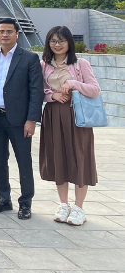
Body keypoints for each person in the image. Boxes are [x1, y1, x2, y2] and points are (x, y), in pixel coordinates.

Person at [39, 26, 100, 226]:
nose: (57, 45)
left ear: (69, 43)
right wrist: (52, 95)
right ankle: (63, 204)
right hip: (53, 115)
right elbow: (38, 90)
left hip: (77, 117)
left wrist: (74, 84)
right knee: (59, 158)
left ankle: (79, 208)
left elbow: (95, 89)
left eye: (61, 41)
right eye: (53, 41)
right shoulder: (43, 65)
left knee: (79, 158)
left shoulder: (80, 64)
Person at [0, 18, 43, 220]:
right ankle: (3, 199)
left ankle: (25, 202)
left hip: (19, 120)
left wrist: (31, 120)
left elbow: (36, 91)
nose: (5, 35)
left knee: (23, 161)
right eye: (1, 31)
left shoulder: (29, 58)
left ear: (17, 34)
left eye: (9, 31)